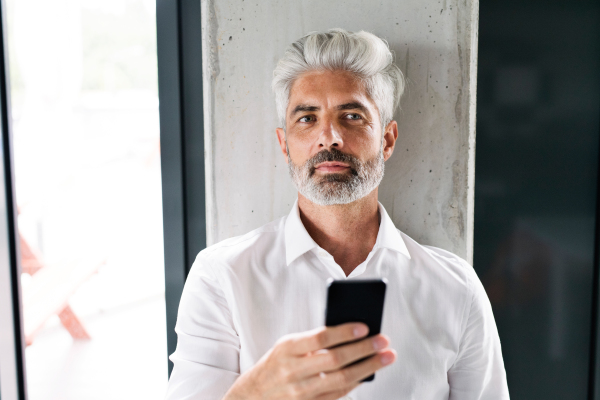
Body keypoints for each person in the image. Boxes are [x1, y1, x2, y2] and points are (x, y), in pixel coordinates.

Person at [165, 28, 509, 400]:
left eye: (352, 115)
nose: (329, 137)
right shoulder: (222, 277)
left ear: (387, 140)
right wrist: (255, 394)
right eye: (307, 118)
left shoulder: (456, 289)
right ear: (284, 145)